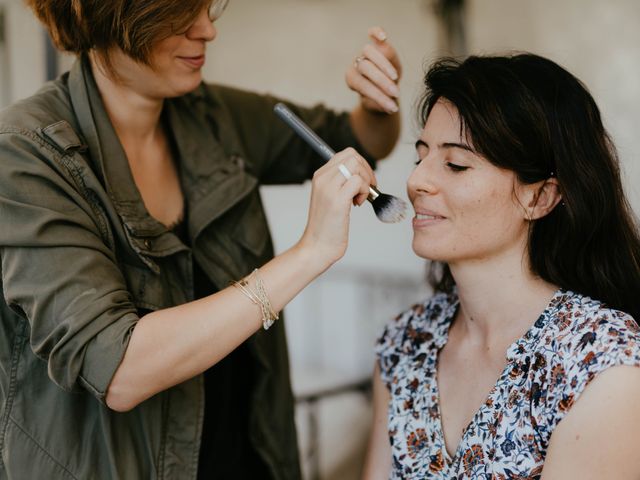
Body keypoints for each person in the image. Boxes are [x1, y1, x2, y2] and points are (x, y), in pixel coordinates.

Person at [0, 0, 402, 478]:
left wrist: (377, 104)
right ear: (101, 14)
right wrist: (310, 252)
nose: (207, 30)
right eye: (178, 15)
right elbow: (119, 369)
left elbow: (357, 139)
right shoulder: (24, 154)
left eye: (209, 7)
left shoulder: (212, 117)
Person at [363, 53, 640, 479]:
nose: (417, 181)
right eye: (422, 156)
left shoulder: (601, 362)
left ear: (540, 197)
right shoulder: (403, 343)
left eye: (456, 164)